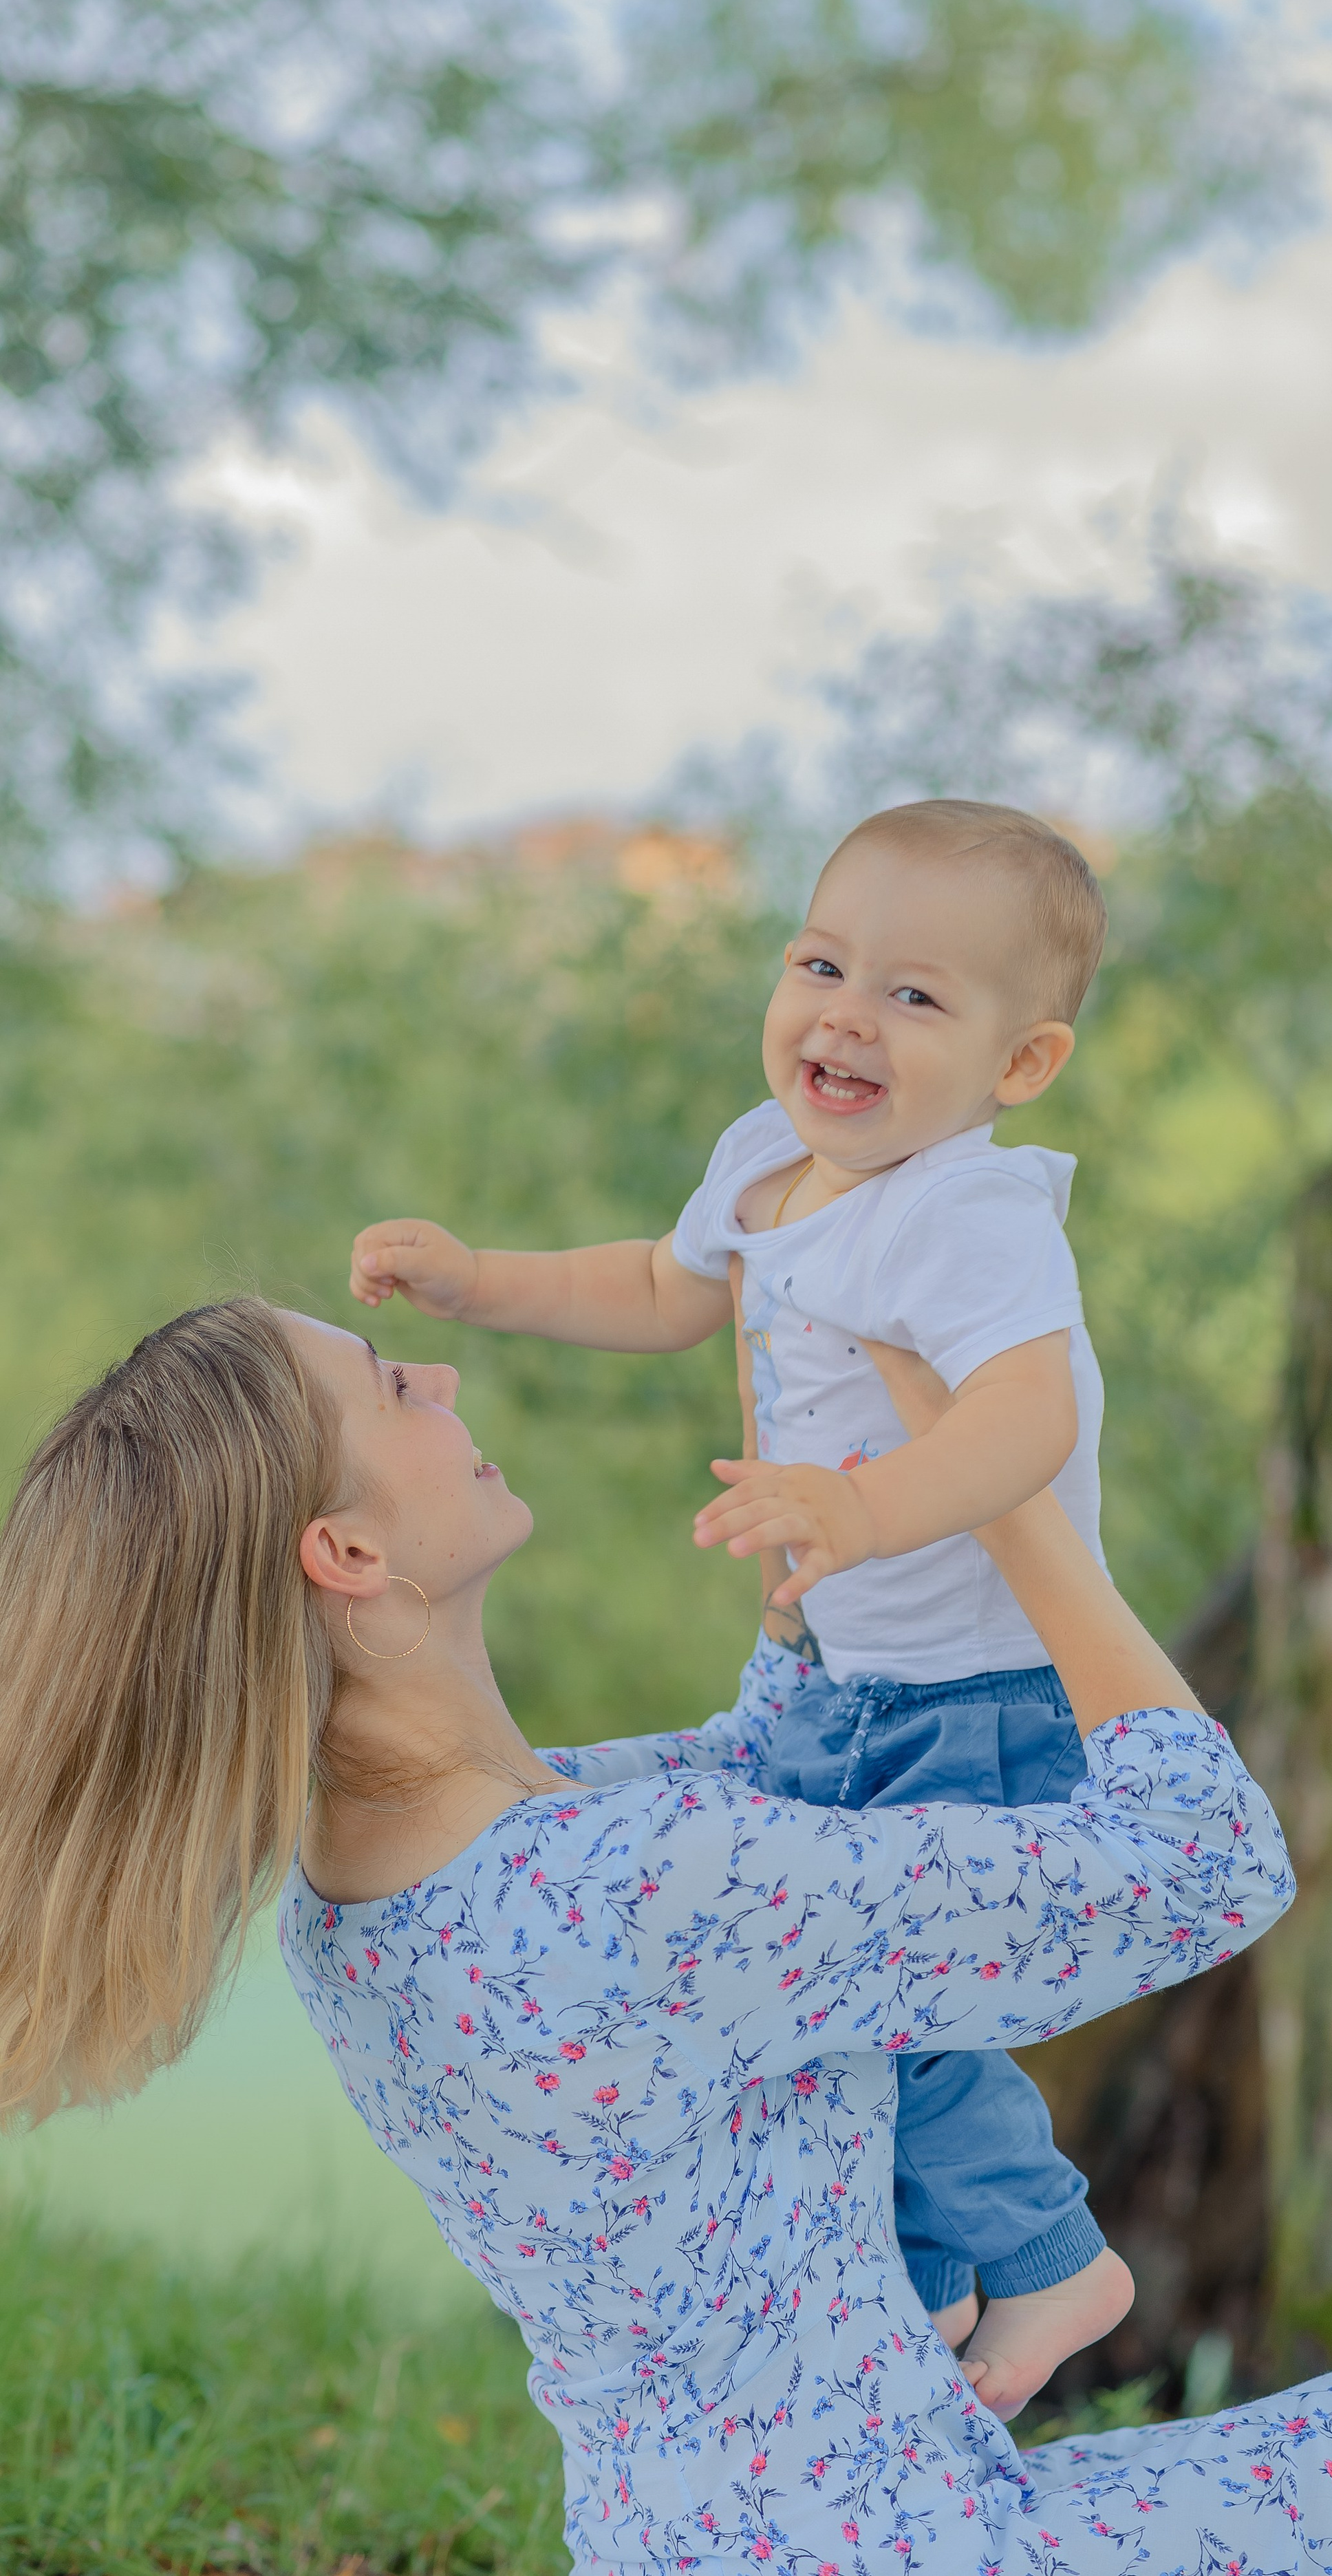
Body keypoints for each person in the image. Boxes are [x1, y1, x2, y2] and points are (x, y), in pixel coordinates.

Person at [1, 1296, 1332, 2576]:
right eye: (391, 1384)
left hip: (724, 2544)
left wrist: (843, 1550)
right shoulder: (632, 1889)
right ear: (348, 1548)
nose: (440, 1371)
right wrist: (1013, 1500)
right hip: (913, 2551)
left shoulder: (369, 1891)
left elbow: (743, 1796)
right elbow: (1208, 1858)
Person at [346, 797, 1135, 2411]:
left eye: (914, 996)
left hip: (973, 1683)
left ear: (1019, 1064)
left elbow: (1021, 1423)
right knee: (823, 1999)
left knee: (890, 1998)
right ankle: (907, 2292)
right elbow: (656, 1284)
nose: (844, 1014)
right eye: (820, 962)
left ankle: (1056, 2263)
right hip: (842, 1673)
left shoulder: (968, 1214)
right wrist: (478, 1280)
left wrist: (862, 1503)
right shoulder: (768, 1159)